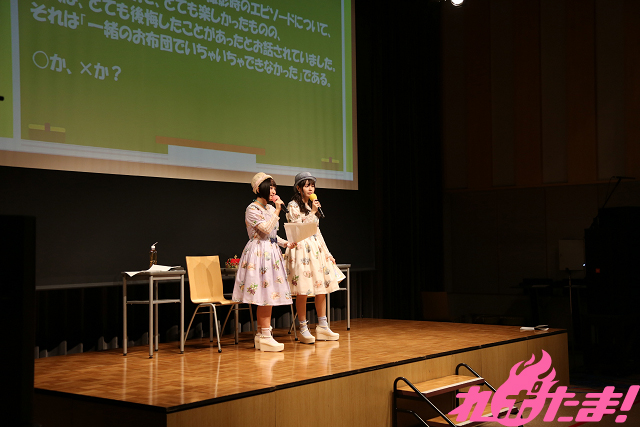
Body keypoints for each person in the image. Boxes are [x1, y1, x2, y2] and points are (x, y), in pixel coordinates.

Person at [232, 172, 295, 352]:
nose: (273, 191)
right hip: (259, 253)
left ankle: (262, 335)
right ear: (259, 189)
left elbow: (272, 234)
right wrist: (277, 210)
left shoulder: (269, 209)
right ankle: (265, 335)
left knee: (268, 294)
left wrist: (286, 243)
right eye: (270, 187)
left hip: (271, 251)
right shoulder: (252, 209)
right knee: (265, 294)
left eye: (275, 187)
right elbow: (265, 229)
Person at [284, 172, 345, 343]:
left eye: (312, 185)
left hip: (315, 250)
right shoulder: (292, 206)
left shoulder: (312, 205)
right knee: (302, 290)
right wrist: (313, 212)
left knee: (321, 288)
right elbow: (298, 229)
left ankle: (323, 326)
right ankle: (303, 327)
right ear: (298, 188)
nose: (310, 188)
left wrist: (328, 253)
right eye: (306, 185)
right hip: (300, 250)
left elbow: (317, 232)